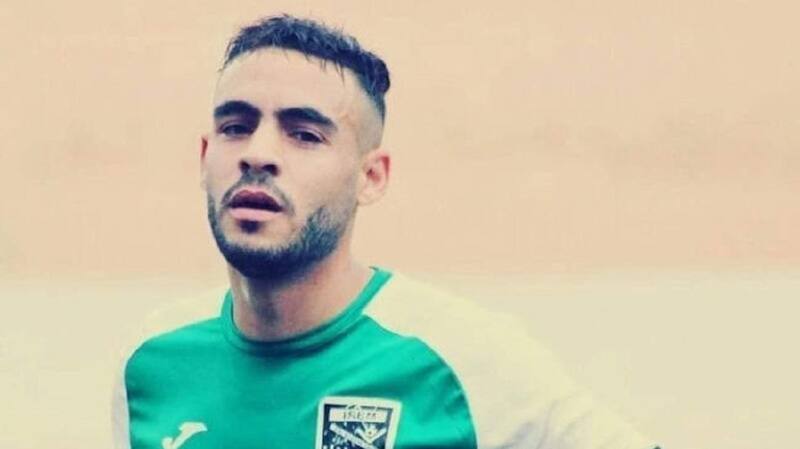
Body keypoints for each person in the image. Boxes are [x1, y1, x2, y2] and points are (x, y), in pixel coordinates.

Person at [112, 14, 660, 449]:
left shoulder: (463, 358)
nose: (258, 153)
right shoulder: (151, 365)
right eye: (236, 127)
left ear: (370, 178)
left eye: (304, 134)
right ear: (205, 156)